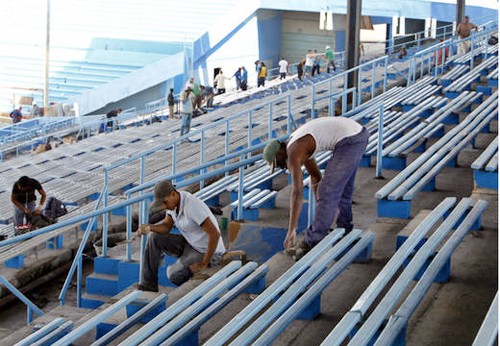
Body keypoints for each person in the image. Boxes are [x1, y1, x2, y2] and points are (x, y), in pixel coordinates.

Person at [263, 117, 369, 260]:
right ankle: (345, 230)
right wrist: (322, 207)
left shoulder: (293, 151)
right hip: (357, 134)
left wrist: (292, 230)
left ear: (280, 153)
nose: (281, 167)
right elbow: (315, 176)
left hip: (349, 140)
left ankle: (311, 241)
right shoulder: (299, 143)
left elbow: (297, 192)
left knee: (328, 190)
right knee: (342, 191)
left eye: (278, 164)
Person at [136, 180, 226, 289]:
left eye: (165, 202)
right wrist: (150, 227)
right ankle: (148, 285)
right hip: (191, 244)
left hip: (206, 251)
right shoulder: (173, 205)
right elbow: (166, 226)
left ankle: (199, 282)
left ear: (173, 193)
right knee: (154, 237)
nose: (164, 207)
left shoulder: (192, 205)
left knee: (173, 274)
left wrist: (204, 263)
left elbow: (214, 234)